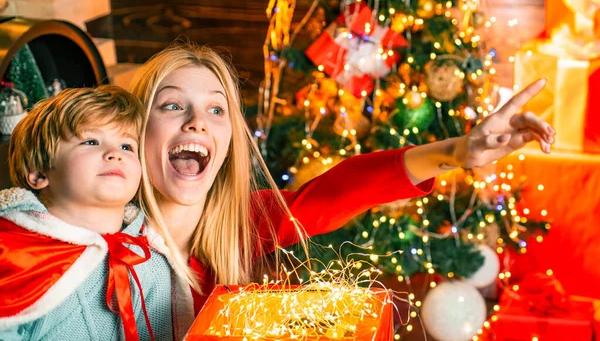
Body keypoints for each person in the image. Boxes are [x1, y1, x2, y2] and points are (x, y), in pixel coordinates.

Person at [128, 42, 555, 325]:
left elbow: (342, 191)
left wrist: (459, 153)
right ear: (137, 128)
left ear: (229, 141)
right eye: (172, 105)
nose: (197, 121)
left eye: (216, 110)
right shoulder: (97, 236)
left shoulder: (243, 221)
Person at [0, 86, 189, 341]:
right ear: (39, 172)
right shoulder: (13, 254)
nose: (115, 154)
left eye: (127, 146)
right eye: (91, 141)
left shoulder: (150, 258)